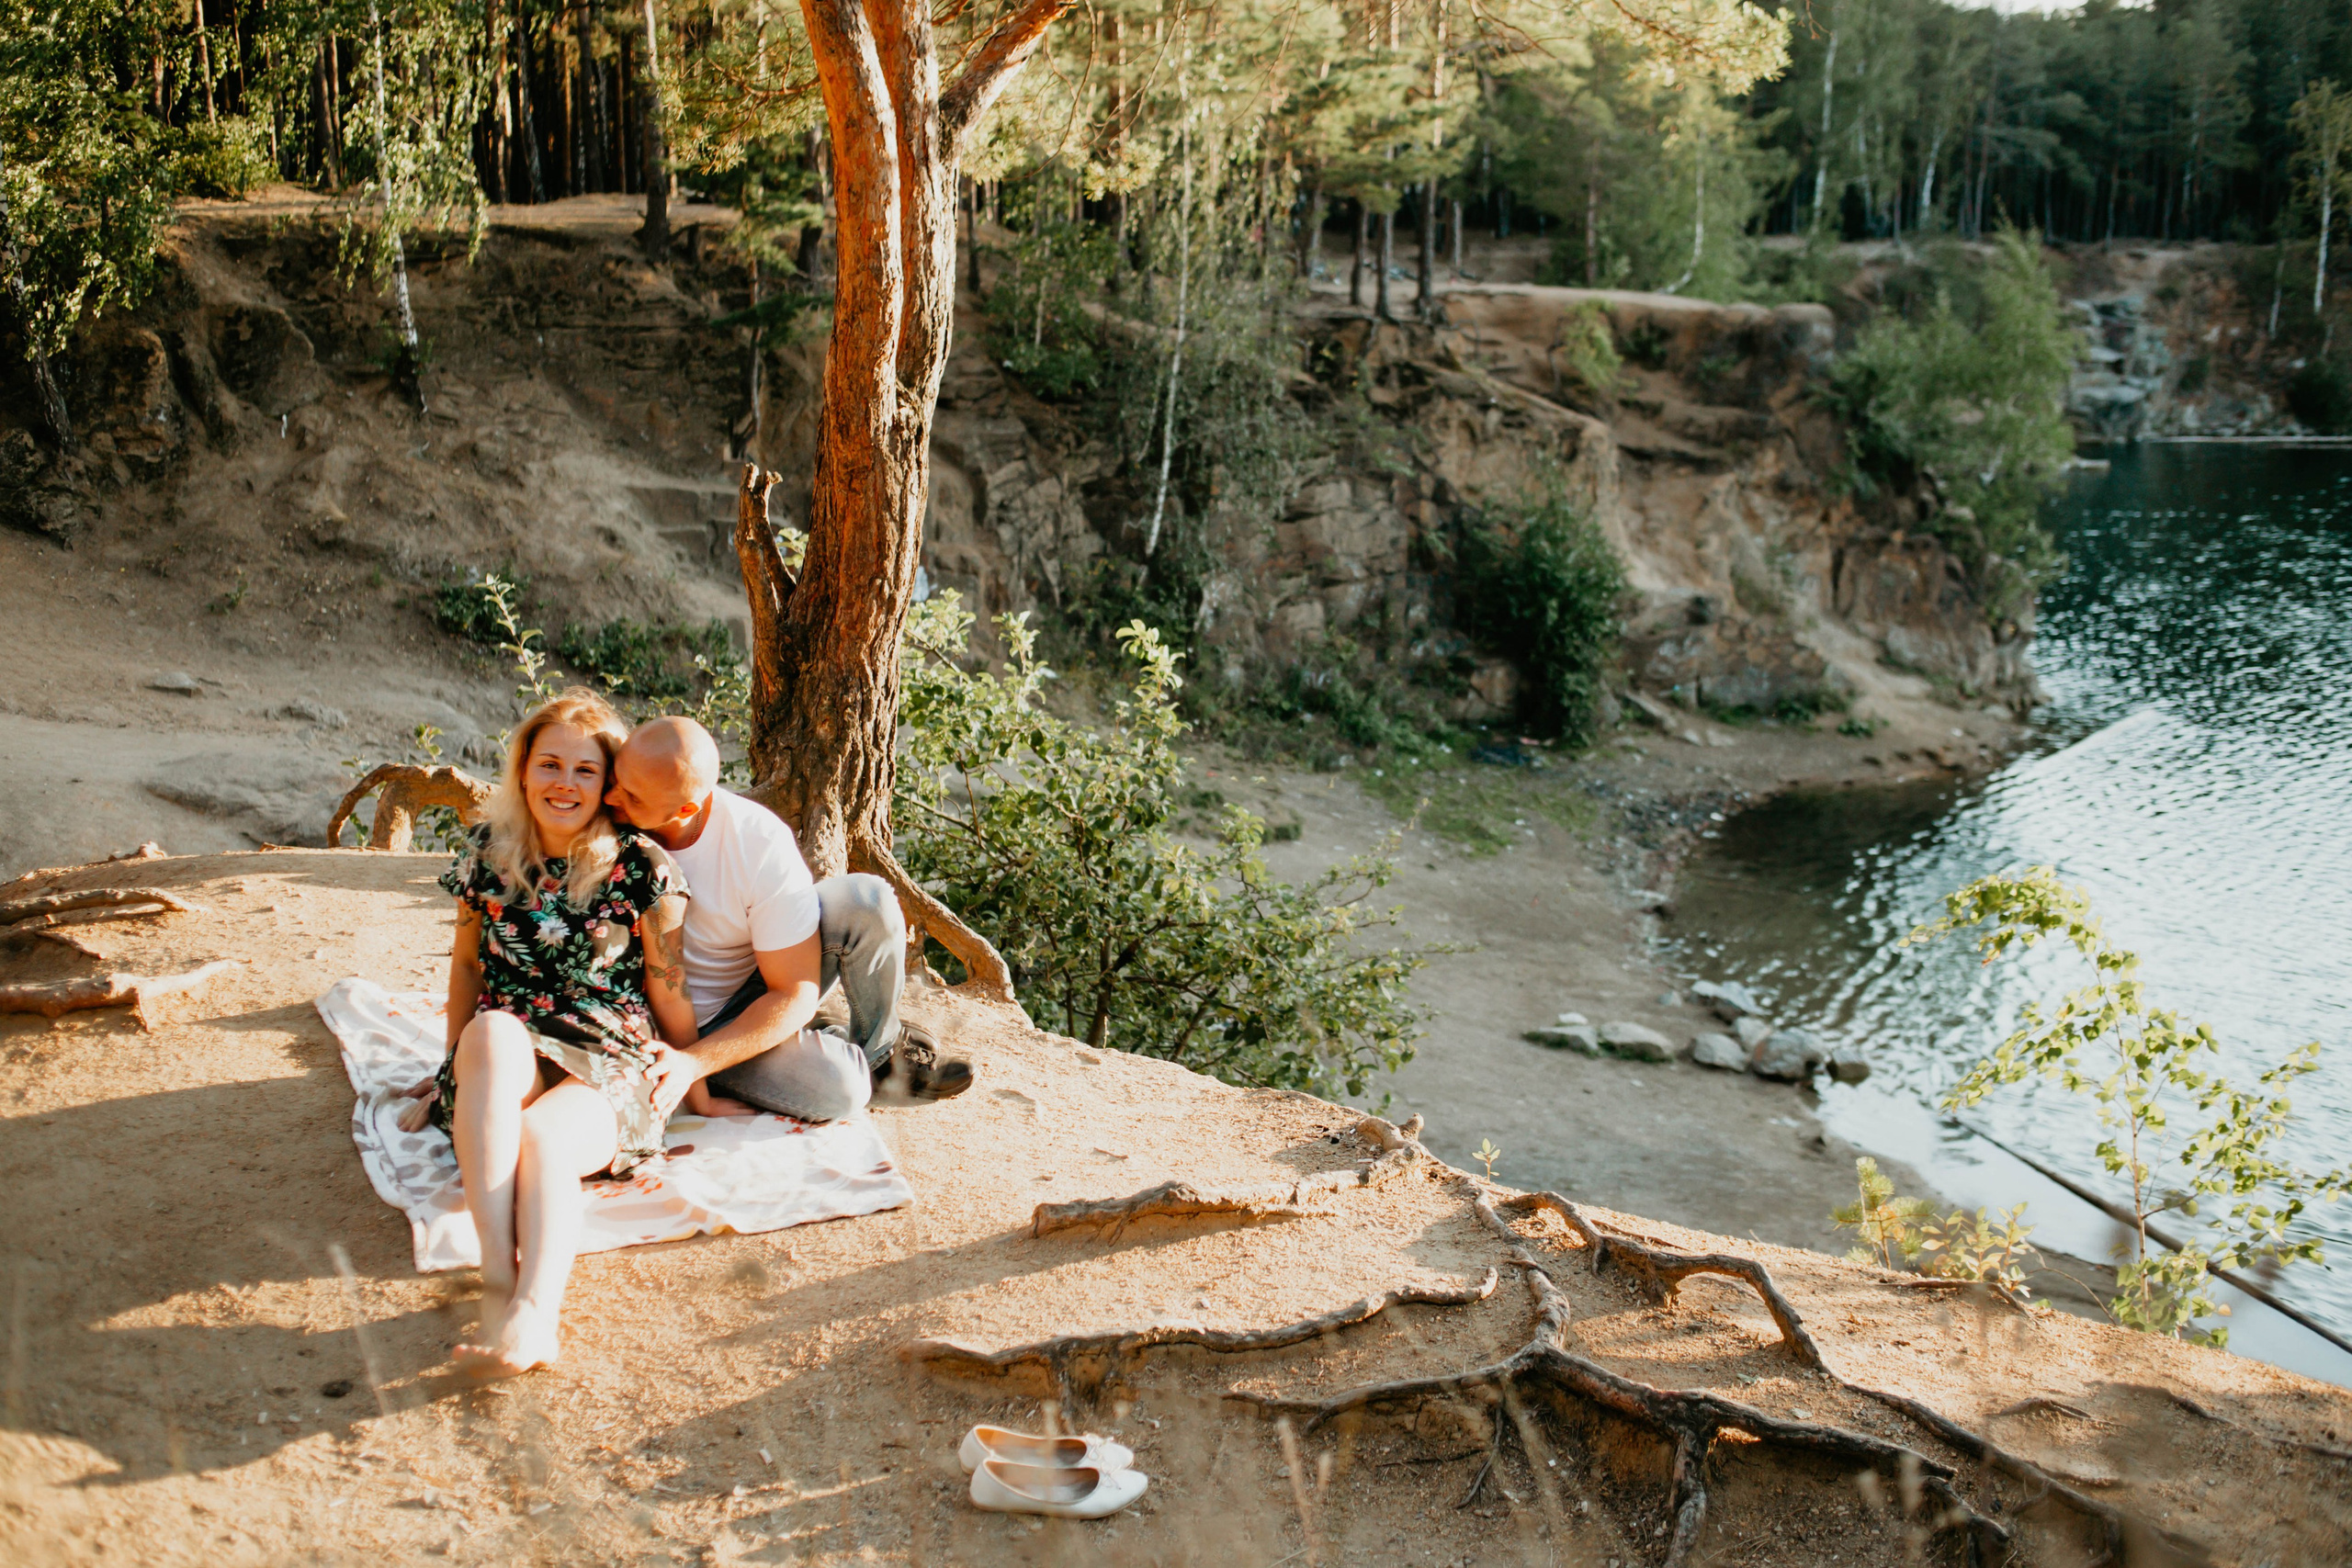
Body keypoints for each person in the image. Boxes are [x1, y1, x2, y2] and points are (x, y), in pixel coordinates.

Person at [408, 688, 701, 1380]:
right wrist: (451, 1062)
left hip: (609, 1049)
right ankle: (497, 1276)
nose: (564, 784)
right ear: (523, 769)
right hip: (513, 1033)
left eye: (584, 770)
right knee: (488, 1036)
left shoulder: (643, 866)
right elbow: (465, 963)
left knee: (542, 1137)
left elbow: (670, 985)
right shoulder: (489, 848)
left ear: (608, 785)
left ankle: (536, 1311)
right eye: (549, 764)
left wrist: (699, 1074)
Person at [603, 716, 972, 1120]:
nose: (610, 797)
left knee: (868, 901)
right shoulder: (600, 818)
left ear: (686, 807)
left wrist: (696, 1066)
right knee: (842, 1089)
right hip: (668, 1025)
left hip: (748, 994)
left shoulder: (756, 842)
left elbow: (793, 991)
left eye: (632, 797)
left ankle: (882, 1058)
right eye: (614, 777)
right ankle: (821, 1041)